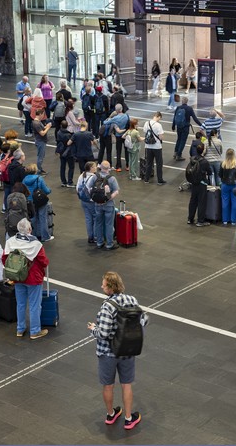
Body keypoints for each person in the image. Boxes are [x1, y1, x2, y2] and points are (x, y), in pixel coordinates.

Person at [87, 271, 144, 430]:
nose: (101, 286)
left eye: (104, 285)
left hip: (108, 353)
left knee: (108, 386)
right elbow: (143, 320)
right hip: (127, 351)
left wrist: (93, 329)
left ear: (110, 288)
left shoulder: (107, 306)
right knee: (126, 385)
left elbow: (103, 333)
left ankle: (111, 414)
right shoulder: (132, 299)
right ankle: (128, 418)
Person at [2, 218, 50, 339]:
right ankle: (35, 331)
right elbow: (44, 262)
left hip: (18, 277)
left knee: (21, 304)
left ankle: (20, 329)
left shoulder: (10, 241)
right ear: (29, 229)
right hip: (33, 278)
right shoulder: (36, 244)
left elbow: (4, 259)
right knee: (34, 305)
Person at [87, 161, 120, 250]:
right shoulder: (112, 178)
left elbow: (89, 187)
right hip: (109, 205)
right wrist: (107, 199)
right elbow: (116, 191)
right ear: (109, 168)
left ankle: (99, 242)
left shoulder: (95, 177)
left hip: (97, 204)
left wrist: (95, 198)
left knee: (98, 223)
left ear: (100, 168)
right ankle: (109, 244)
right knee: (109, 224)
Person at [22, 164, 53, 242]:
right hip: (40, 201)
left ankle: (33, 236)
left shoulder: (24, 179)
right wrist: (50, 190)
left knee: (33, 218)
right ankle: (45, 236)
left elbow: (23, 190)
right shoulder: (39, 179)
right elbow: (46, 190)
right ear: (35, 171)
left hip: (30, 202)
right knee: (43, 218)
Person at [186, 143, 212, 227]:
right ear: (203, 150)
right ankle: (200, 221)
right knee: (201, 202)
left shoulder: (192, 158)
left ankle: (190, 219)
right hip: (201, 184)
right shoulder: (204, 161)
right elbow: (210, 172)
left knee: (193, 201)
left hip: (194, 183)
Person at [171, 95, 202, 161]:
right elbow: (195, 118)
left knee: (178, 139)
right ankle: (179, 155)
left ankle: (175, 153)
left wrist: (173, 126)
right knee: (183, 141)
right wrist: (201, 125)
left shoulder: (178, 108)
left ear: (182, 102)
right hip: (185, 127)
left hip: (179, 126)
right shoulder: (189, 108)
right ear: (187, 102)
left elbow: (174, 118)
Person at [102, 104, 130, 172]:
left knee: (118, 151)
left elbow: (105, 122)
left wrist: (109, 118)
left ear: (116, 110)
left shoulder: (115, 118)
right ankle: (127, 165)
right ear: (122, 109)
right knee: (126, 150)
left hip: (118, 136)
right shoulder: (126, 116)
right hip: (125, 135)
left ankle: (119, 166)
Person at [220, 148, 236, 226]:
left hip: (225, 185)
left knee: (225, 202)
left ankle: (225, 220)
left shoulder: (223, 164)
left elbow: (220, 175)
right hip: (234, 185)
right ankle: (233, 220)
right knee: (234, 202)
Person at [31, 108, 51, 175]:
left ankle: (40, 169)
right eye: (43, 114)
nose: (43, 116)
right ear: (40, 114)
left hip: (40, 141)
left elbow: (41, 129)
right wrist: (48, 128)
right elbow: (42, 133)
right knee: (40, 157)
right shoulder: (37, 123)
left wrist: (46, 126)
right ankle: (38, 171)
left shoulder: (38, 122)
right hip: (40, 141)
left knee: (41, 156)